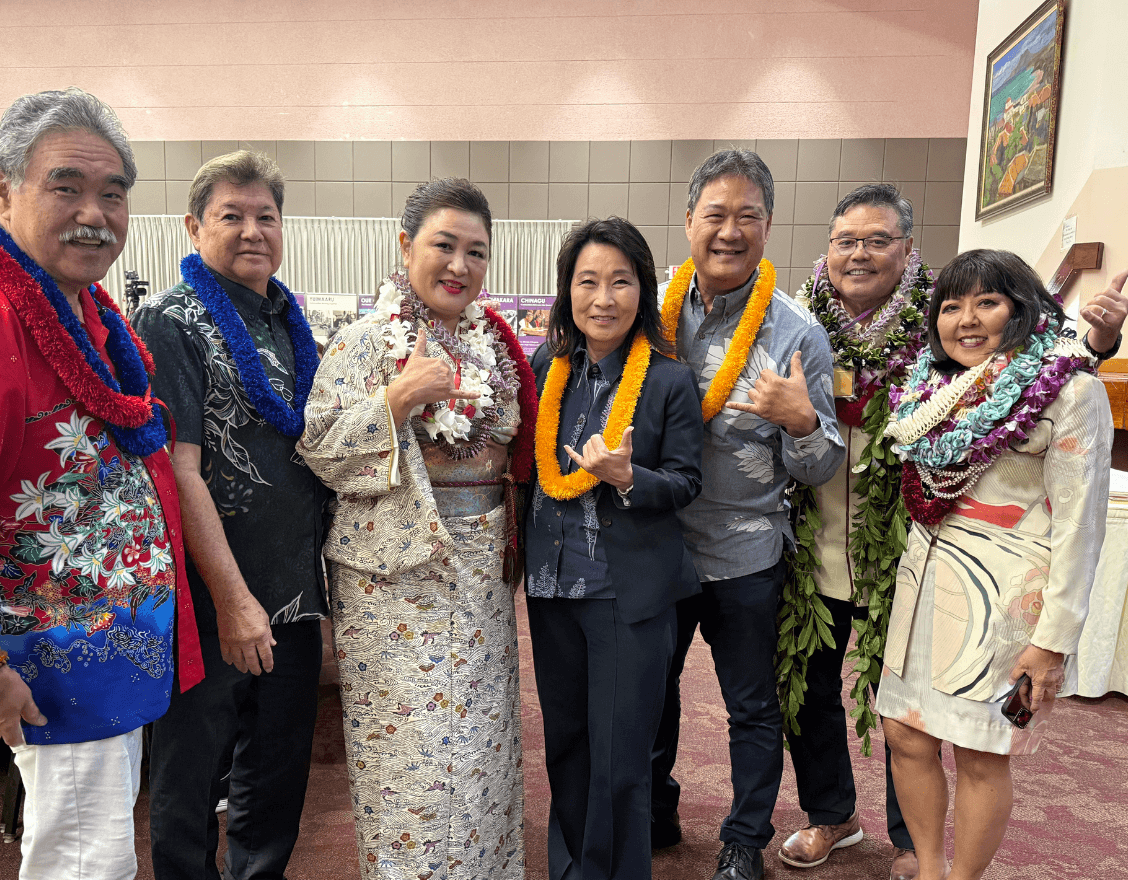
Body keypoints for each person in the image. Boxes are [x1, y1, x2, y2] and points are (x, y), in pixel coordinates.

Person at [0, 87, 203, 880]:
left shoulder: (82, 310)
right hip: (47, 665)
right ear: (0, 189)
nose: (94, 214)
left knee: (97, 847)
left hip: (109, 650)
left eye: (113, 194)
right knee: (83, 858)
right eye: (66, 187)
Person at [780, 184, 1128, 880]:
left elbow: (1050, 378)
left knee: (971, 740)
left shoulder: (951, 336)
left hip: (952, 572)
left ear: (908, 249)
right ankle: (848, 823)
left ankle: (923, 852)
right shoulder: (807, 327)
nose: (859, 253)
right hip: (852, 553)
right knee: (863, 713)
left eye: (877, 239)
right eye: (846, 240)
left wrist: (1099, 340)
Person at [299, 178, 536, 880]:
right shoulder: (364, 342)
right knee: (409, 756)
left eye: (476, 252)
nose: (459, 265)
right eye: (444, 245)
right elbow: (320, 450)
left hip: (480, 574)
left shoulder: (495, 346)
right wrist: (395, 400)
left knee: (483, 746)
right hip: (391, 583)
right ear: (406, 246)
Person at [878, 249, 1116, 880]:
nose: (966, 319)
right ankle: (931, 869)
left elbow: (1081, 527)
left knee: (981, 750)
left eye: (987, 302)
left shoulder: (1071, 389)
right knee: (906, 734)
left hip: (1007, 598)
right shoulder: (932, 388)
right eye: (951, 306)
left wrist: (1052, 642)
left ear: (1023, 308)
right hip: (924, 586)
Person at [645, 149, 844, 880]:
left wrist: (800, 421)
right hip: (658, 546)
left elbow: (822, 465)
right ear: (688, 221)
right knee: (650, 694)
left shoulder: (797, 333)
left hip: (746, 553)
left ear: (768, 225)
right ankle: (653, 812)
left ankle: (743, 839)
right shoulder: (649, 312)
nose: (730, 231)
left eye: (747, 216)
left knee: (752, 706)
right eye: (715, 215)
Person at [132, 150, 329, 880]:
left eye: (266, 217)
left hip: (295, 593)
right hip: (211, 595)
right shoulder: (170, 320)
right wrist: (234, 598)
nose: (252, 231)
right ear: (193, 227)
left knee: (275, 778)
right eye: (231, 216)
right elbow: (179, 470)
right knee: (192, 776)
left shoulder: (289, 318)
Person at [525, 217, 703, 880]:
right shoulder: (546, 368)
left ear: (643, 290)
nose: (603, 299)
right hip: (552, 588)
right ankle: (572, 871)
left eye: (620, 282)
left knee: (621, 759)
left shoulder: (668, 380)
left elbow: (687, 481)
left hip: (626, 594)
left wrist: (630, 478)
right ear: (567, 290)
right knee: (567, 747)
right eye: (587, 281)